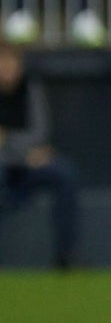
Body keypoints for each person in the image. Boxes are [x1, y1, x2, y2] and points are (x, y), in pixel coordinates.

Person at [0, 41, 79, 269]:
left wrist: (11, 143)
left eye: (11, 63)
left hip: (28, 165)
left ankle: (66, 256)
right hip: (8, 165)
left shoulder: (30, 89)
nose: (7, 69)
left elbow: (39, 133)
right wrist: (24, 152)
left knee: (64, 173)